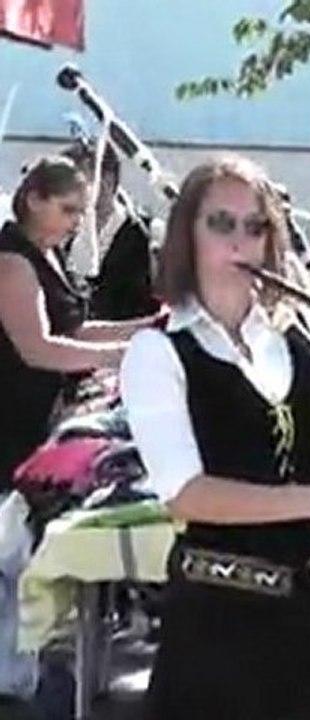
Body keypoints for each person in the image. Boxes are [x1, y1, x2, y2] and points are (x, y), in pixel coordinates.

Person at [119, 156, 310, 720]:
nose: (241, 240)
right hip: (217, 631)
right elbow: (186, 494)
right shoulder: (158, 351)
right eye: (221, 223)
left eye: (255, 226)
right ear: (188, 233)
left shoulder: (295, 339)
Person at [0, 156, 153, 711]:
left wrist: (148, 330)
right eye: (68, 210)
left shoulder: (43, 255)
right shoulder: (12, 262)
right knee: (12, 555)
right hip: (11, 423)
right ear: (35, 199)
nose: (75, 222)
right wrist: (126, 352)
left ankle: (30, 672)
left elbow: (74, 327)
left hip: (38, 421)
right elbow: (37, 347)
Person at [60, 140, 162, 320]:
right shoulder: (60, 236)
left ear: (106, 181)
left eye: (76, 183)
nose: (65, 193)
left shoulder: (148, 235)